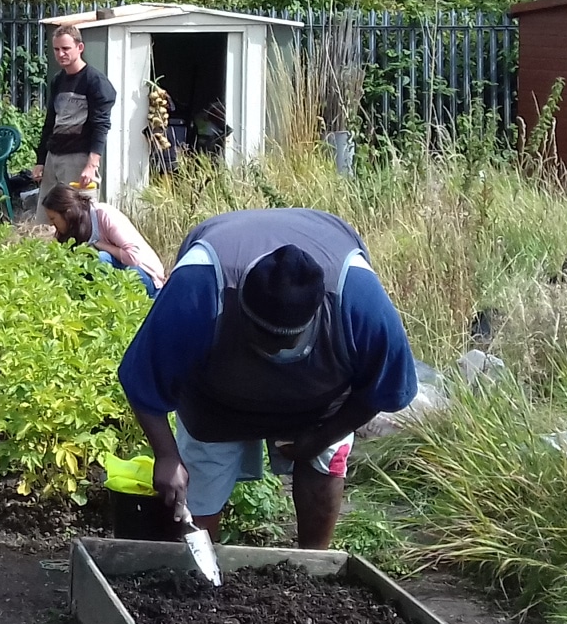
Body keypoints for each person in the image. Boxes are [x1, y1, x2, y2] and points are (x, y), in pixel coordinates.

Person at [116, 208, 416, 550]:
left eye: (285, 341)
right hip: (215, 398)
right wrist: (166, 456)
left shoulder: (358, 298)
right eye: (263, 337)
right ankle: (195, 575)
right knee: (199, 489)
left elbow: (384, 388)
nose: (273, 351)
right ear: (241, 307)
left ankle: (314, 572)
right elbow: (141, 377)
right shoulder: (198, 288)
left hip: (320, 398)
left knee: (323, 464)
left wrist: (322, 438)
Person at [30, 27, 115, 197]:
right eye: (56, 49)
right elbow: (50, 121)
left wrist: (91, 165)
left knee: (77, 219)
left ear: (80, 48)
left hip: (78, 158)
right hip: (53, 157)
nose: (61, 54)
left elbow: (101, 125)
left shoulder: (95, 81)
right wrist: (41, 160)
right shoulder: (58, 80)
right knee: (47, 220)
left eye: (66, 49)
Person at [40, 185, 166, 293]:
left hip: (148, 278)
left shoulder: (103, 215)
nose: (51, 224)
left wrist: (99, 245)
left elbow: (132, 257)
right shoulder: (73, 228)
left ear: (67, 212)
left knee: (100, 258)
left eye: (53, 219)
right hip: (120, 275)